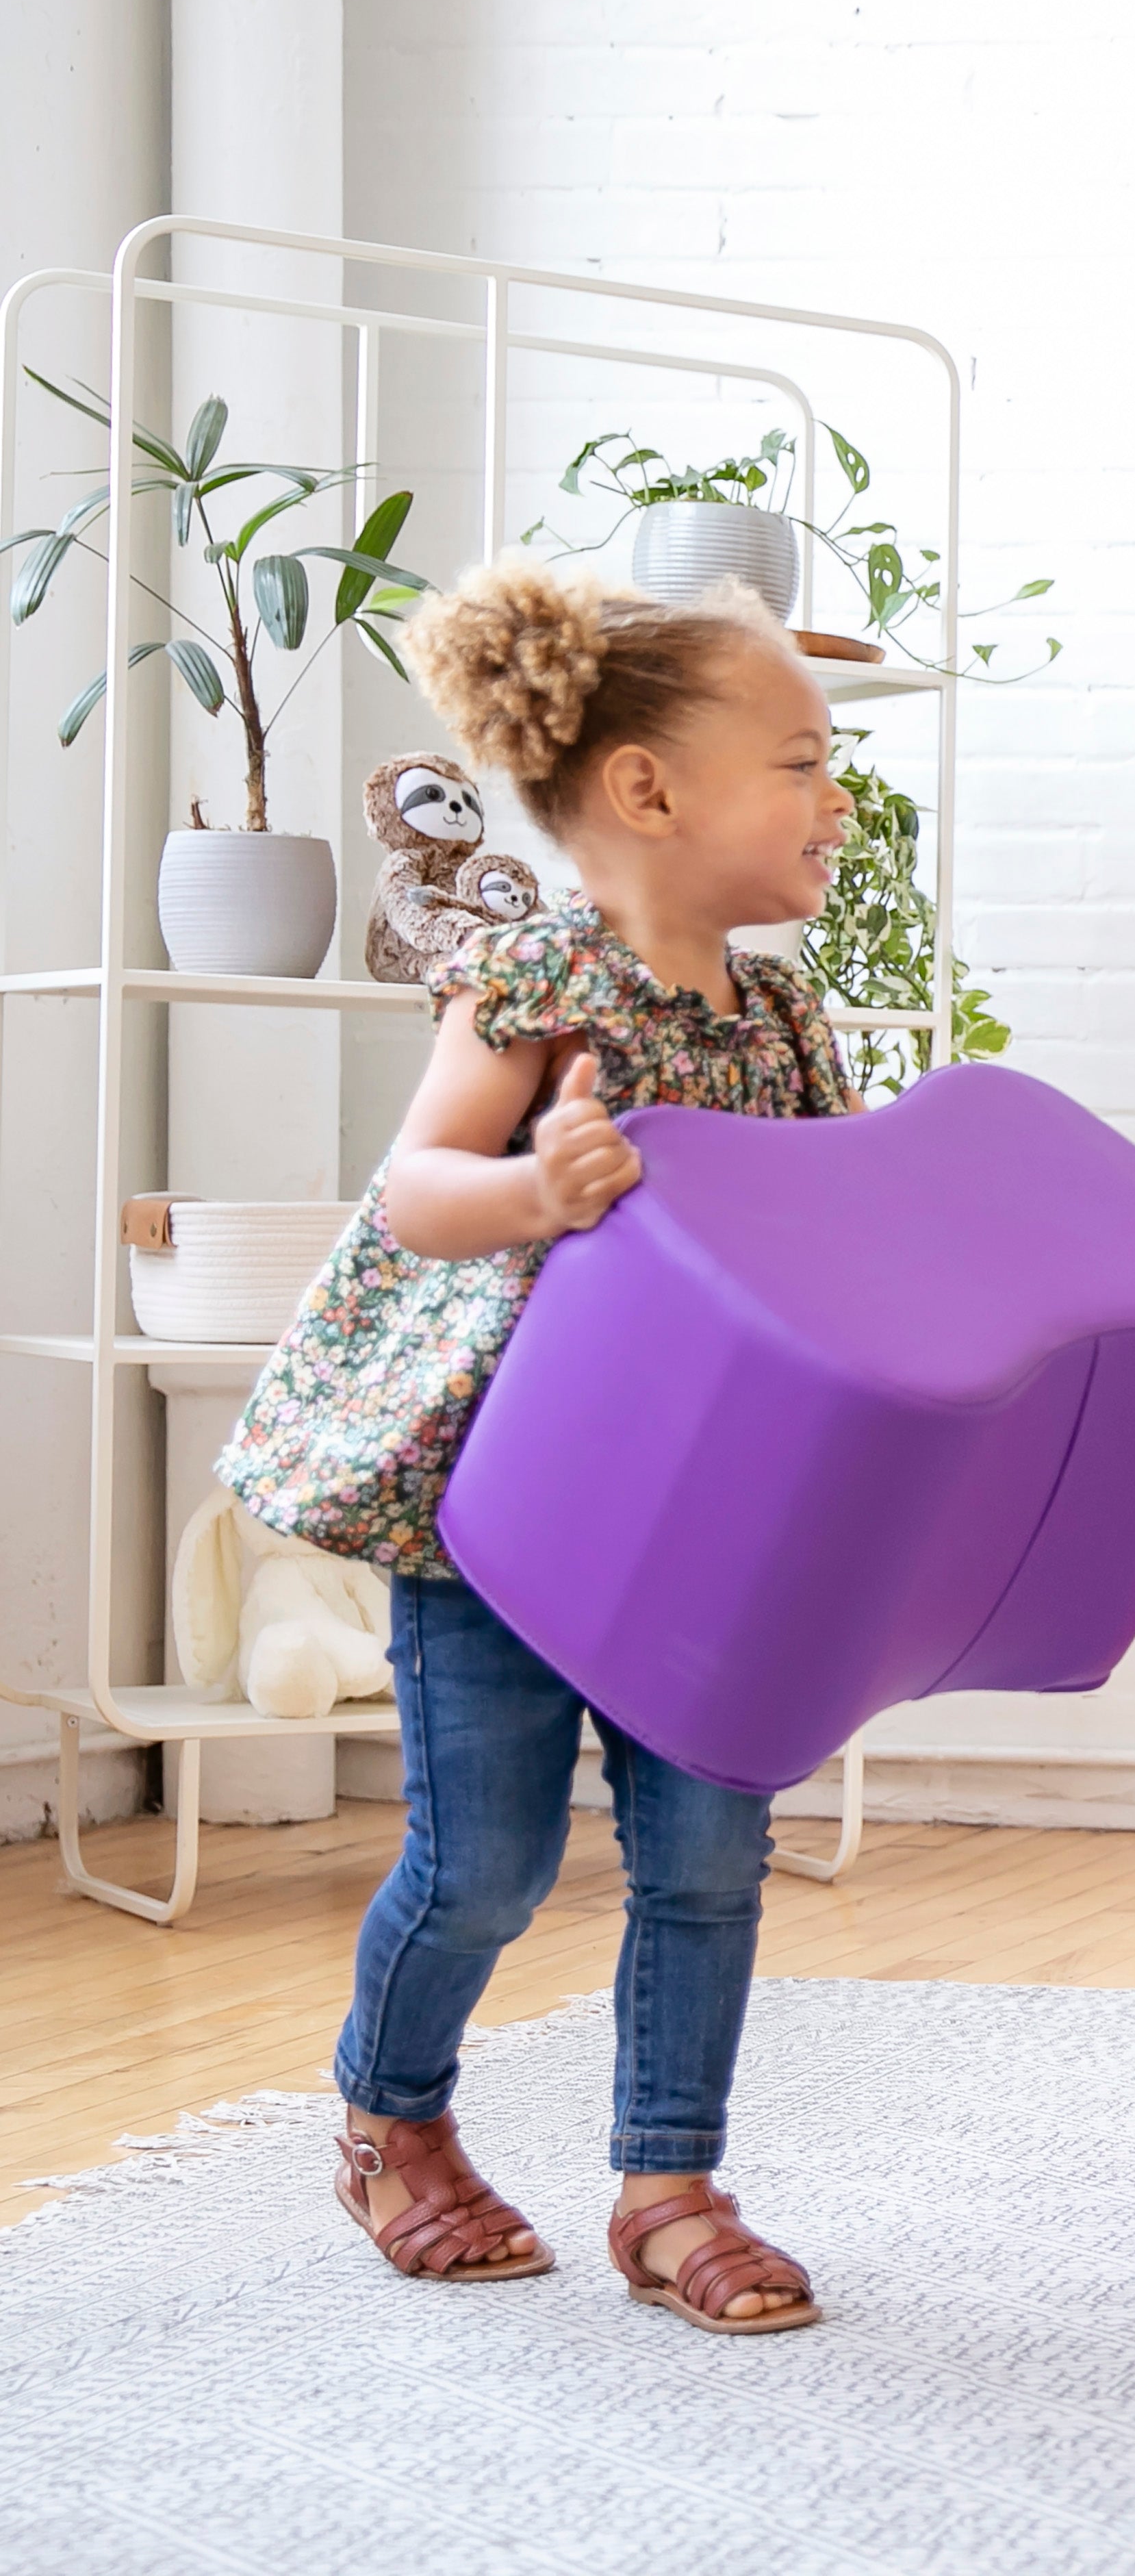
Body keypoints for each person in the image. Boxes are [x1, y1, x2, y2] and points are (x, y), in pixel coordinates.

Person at [220, 555, 860, 2333]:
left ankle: (670, 2189)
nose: (837, 794)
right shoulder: (532, 981)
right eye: (801, 761)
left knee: (710, 1856)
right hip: (509, 1509)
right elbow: (416, 1189)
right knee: (487, 1860)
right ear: (652, 792)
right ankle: (390, 2121)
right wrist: (531, 1185)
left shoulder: (780, 1017)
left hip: (707, 1513)